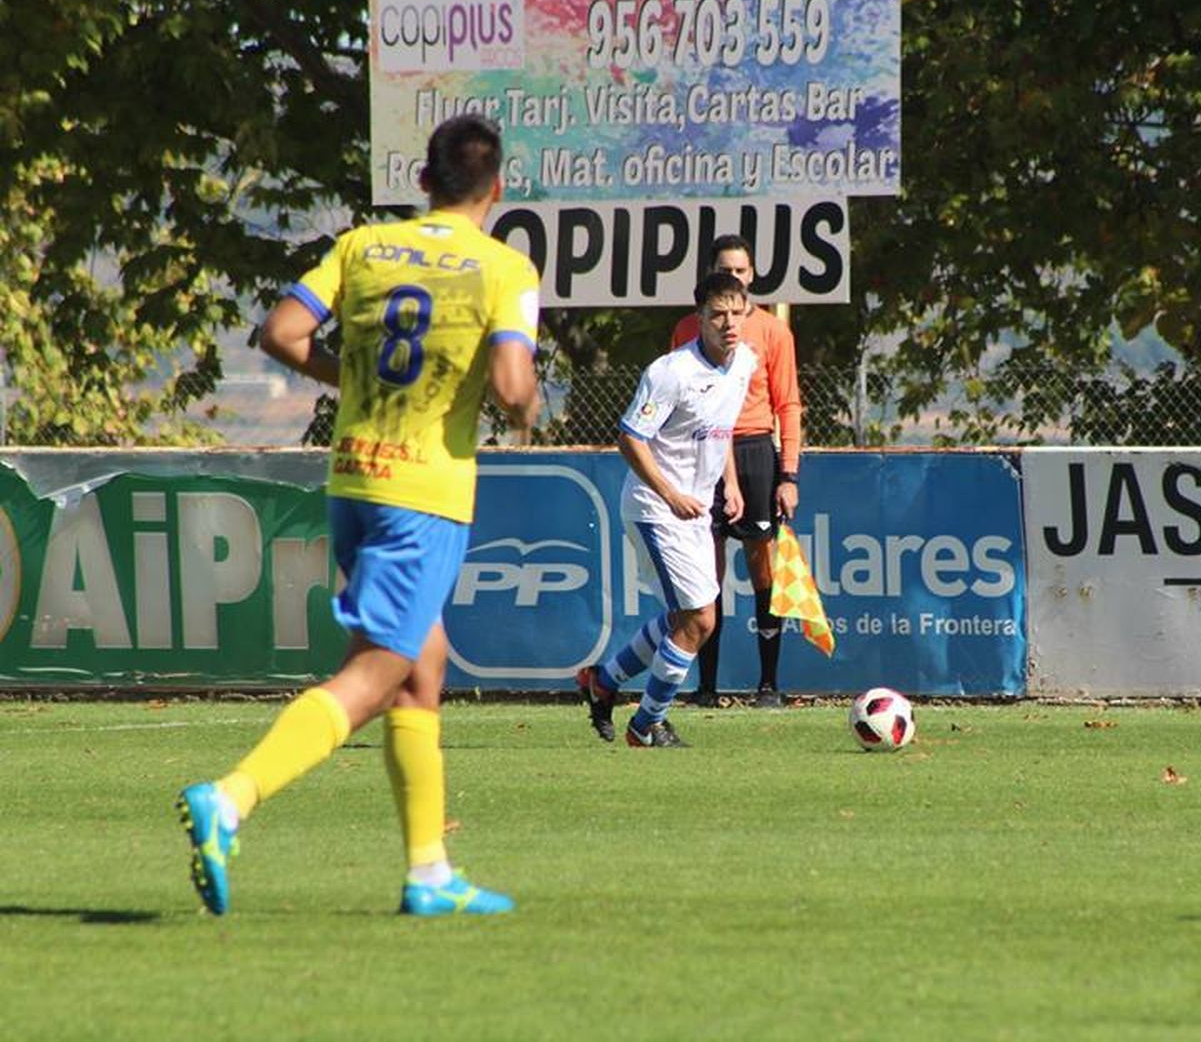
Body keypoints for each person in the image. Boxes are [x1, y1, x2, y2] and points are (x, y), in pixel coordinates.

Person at [176, 114, 541, 917]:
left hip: (354, 481)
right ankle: (230, 798)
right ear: (498, 189)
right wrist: (520, 402)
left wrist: (357, 380)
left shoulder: (364, 247)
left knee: (423, 668)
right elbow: (514, 390)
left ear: (423, 182)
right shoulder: (505, 268)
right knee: (375, 675)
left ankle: (428, 872)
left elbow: (281, 331)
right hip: (425, 496)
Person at [576, 271, 758, 746]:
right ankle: (646, 724)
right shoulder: (670, 372)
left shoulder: (745, 364)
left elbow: (723, 431)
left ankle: (606, 682)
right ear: (699, 317)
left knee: (687, 618)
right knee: (700, 620)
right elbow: (630, 439)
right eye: (717, 314)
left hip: (696, 509)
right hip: (656, 509)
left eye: (736, 313)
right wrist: (669, 494)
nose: (728, 323)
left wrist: (731, 483)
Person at [668, 235, 803, 709]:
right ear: (709, 278)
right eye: (727, 271)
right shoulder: (688, 328)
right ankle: (707, 687)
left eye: (743, 272)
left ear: (751, 277)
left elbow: (788, 404)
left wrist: (788, 474)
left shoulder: (772, 332)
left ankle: (769, 684)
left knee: (763, 566)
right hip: (702, 452)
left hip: (753, 451)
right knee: (708, 572)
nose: (736, 279)